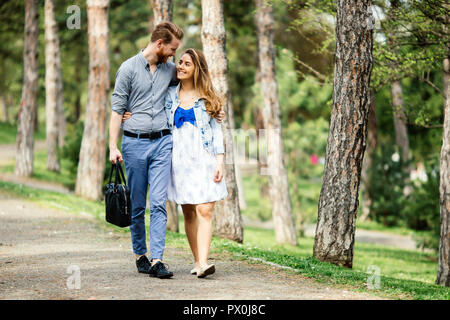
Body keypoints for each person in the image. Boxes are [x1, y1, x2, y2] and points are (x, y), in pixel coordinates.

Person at [122, 48, 227, 278]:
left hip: (204, 158)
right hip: (178, 159)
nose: (180, 66)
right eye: (179, 62)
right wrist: (131, 115)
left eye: (186, 64)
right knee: (189, 211)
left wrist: (220, 160)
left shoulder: (209, 97)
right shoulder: (169, 94)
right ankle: (198, 261)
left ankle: (203, 262)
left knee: (205, 209)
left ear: (196, 69)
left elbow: (216, 131)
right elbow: (147, 106)